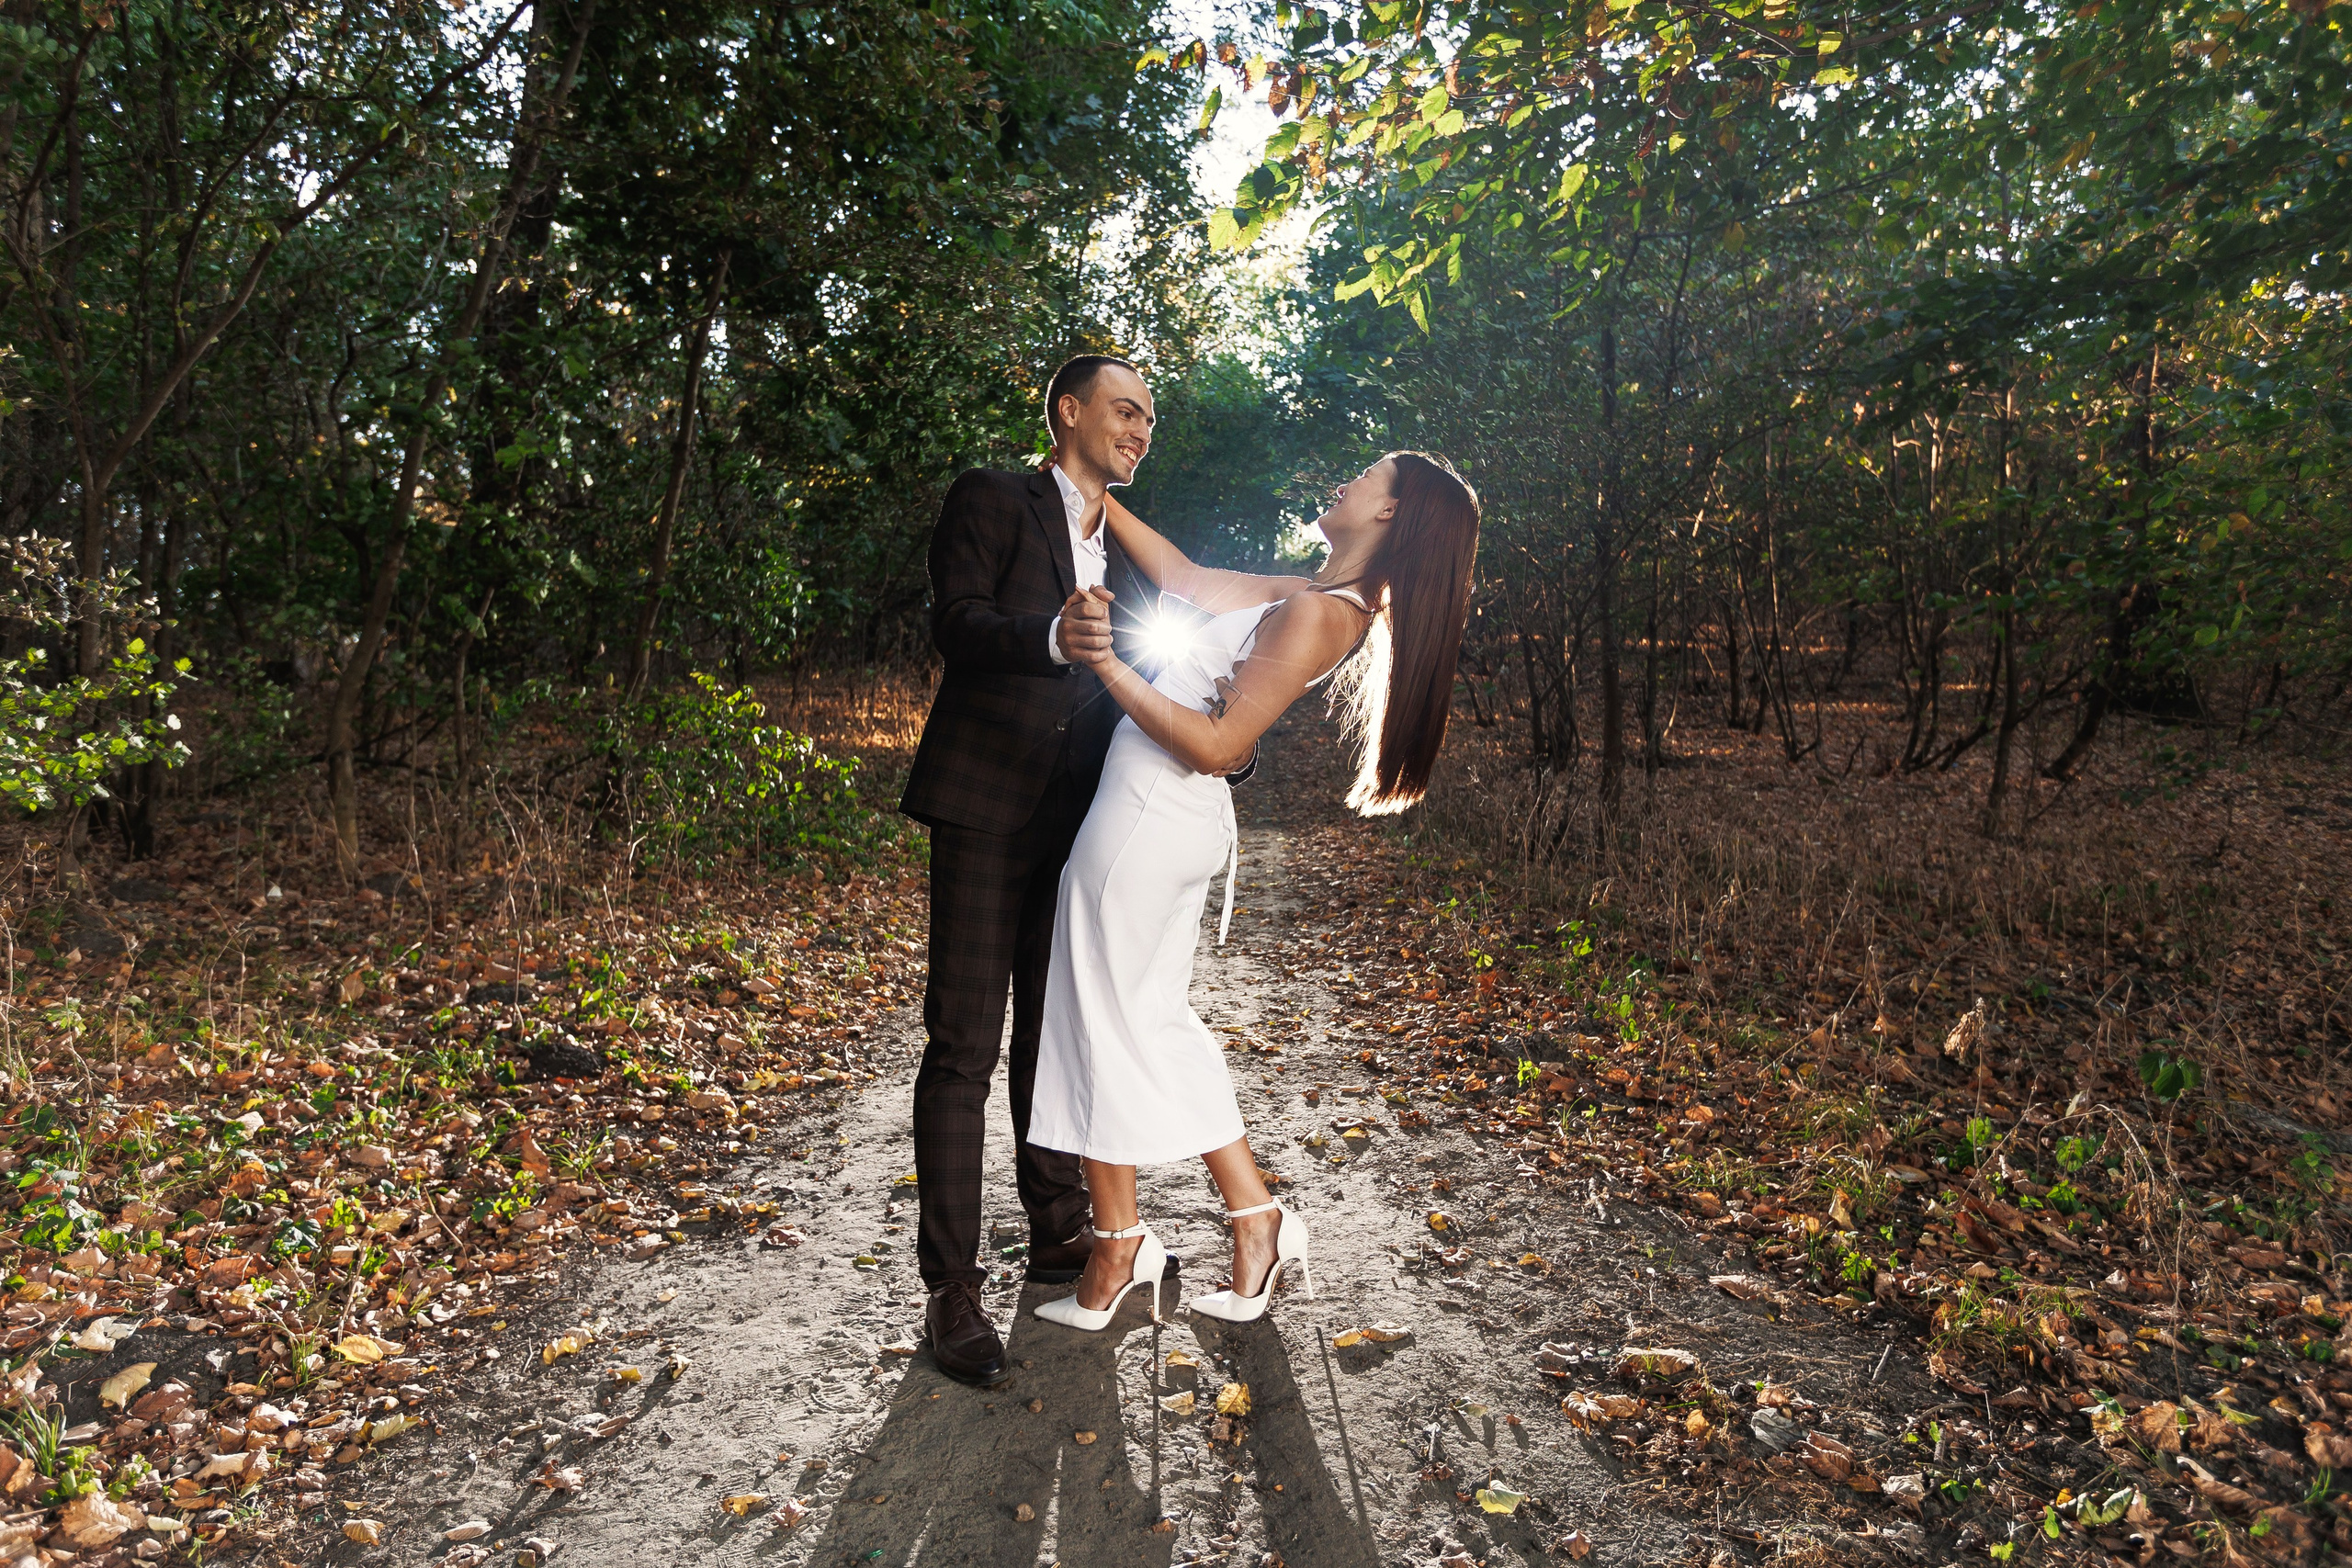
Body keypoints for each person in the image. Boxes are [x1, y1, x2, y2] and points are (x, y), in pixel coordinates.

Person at [1024, 450, 1481, 1329]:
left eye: (1366, 476)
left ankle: (1128, 1241)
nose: (1342, 480)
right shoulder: (1306, 588)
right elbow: (1185, 576)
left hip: (1152, 811)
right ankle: (1243, 1219)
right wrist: (1087, 489)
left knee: (1095, 1011)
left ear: (1389, 514)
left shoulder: (1320, 614)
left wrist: (1106, 663)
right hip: (1156, 813)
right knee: (1138, 1015)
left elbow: (1216, 744)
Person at [897, 355, 1188, 1387]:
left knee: (1054, 1034)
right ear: (1068, 412)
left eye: (1148, 417)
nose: (1139, 429)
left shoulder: (1134, 547)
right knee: (965, 1043)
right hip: (982, 804)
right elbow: (956, 623)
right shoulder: (991, 495)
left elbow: (1166, 661)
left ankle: (1059, 1225)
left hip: (1081, 822)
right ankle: (953, 1289)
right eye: (1124, 409)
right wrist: (1048, 638)